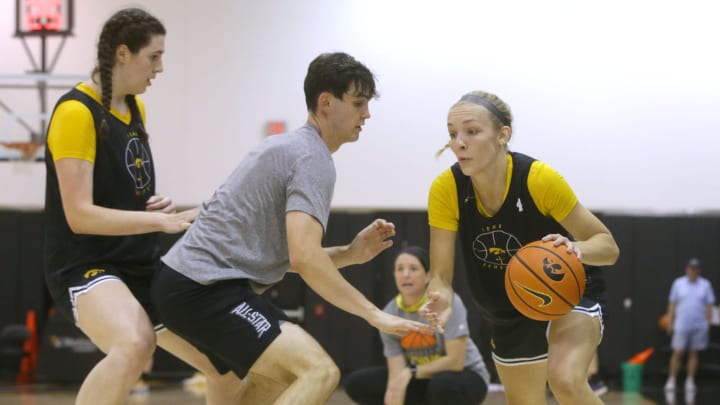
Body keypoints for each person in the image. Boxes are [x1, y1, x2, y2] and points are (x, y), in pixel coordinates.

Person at [151, 51, 434, 405]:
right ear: (326, 103)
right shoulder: (311, 157)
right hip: (204, 289)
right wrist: (373, 314)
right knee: (319, 372)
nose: (367, 114)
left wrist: (349, 254)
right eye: (359, 103)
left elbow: (285, 256)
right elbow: (303, 258)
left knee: (280, 382)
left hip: (188, 287)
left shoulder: (293, 148)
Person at [44, 8, 246, 404]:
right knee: (135, 343)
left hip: (139, 260)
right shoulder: (74, 113)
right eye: (154, 56)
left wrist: (150, 208)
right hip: (84, 264)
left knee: (226, 361)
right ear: (123, 53)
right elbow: (79, 215)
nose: (161, 67)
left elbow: (119, 192)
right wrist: (158, 224)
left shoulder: (134, 109)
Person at [419, 90, 620, 405]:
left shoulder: (538, 179)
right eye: (453, 133)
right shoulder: (446, 189)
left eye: (472, 131)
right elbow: (440, 276)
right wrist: (441, 297)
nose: (459, 142)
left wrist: (574, 248)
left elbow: (607, 246)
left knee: (565, 381)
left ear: (502, 135)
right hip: (506, 306)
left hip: (568, 292)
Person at [343, 246, 490, 405]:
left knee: (442, 385)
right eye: (400, 269)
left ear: (427, 276)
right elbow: (396, 373)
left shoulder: (444, 304)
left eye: (413, 269)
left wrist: (412, 372)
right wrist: (395, 391)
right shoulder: (389, 313)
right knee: (357, 383)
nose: (405, 275)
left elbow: (455, 361)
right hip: (420, 378)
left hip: (466, 375)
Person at [663, 257, 716, 393]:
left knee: (694, 353)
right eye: (691, 268)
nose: (693, 271)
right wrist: (670, 320)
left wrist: (708, 321)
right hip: (681, 324)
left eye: (695, 269)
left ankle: (690, 381)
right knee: (678, 352)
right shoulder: (678, 284)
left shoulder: (705, 285)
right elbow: (672, 303)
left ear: (699, 271)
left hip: (699, 326)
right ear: (687, 269)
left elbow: (709, 304)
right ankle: (671, 379)